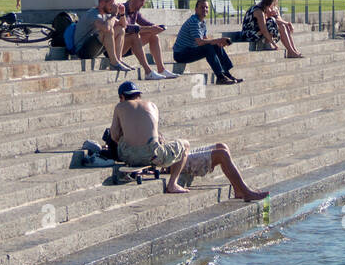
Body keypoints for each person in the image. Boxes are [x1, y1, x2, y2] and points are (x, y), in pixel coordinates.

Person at [110, 81, 269, 201]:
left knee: (222, 147)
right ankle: (243, 191)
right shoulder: (150, 105)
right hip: (157, 157)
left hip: (130, 155)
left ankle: (239, 190)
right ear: (139, 95)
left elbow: (114, 136)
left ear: (122, 96)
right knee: (220, 153)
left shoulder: (120, 106)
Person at [173, 0, 241, 84]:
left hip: (190, 50)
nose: (204, 9)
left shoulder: (202, 22)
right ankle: (220, 77)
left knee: (215, 45)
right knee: (208, 48)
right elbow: (200, 42)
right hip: (181, 54)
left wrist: (219, 42)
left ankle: (226, 74)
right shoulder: (194, 22)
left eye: (206, 7)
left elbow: (205, 40)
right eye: (202, 7)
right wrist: (219, 39)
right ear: (196, 9)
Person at [122, 0, 178, 79]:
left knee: (154, 36)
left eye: (143, 1)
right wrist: (150, 28)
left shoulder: (136, 12)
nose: (142, 4)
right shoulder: (121, 9)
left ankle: (161, 69)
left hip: (129, 46)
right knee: (135, 35)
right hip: (118, 48)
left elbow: (147, 24)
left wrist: (158, 27)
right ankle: (148, 72)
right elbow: (127, 28)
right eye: (141, 1)